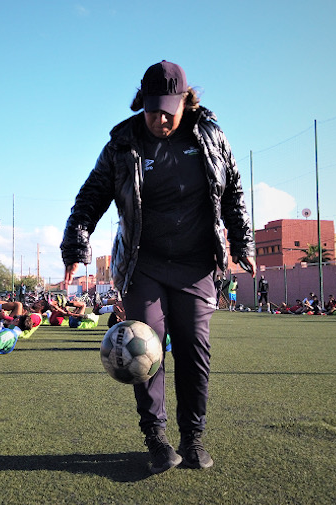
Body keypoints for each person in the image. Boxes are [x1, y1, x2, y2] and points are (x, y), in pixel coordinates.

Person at [61, 60, 253, 474]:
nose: (160, 119)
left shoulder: (211, 136)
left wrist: (242, 241)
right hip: (143, 263)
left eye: (169, 110)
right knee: (144, 345)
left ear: (185, 101)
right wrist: (76, 245)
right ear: (142, 103)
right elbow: (91, 196)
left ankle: (193, 437)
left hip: (196, 265)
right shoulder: (123, 143)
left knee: (194, 350)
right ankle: (156, 437)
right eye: (152, 111)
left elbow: (233, 191)